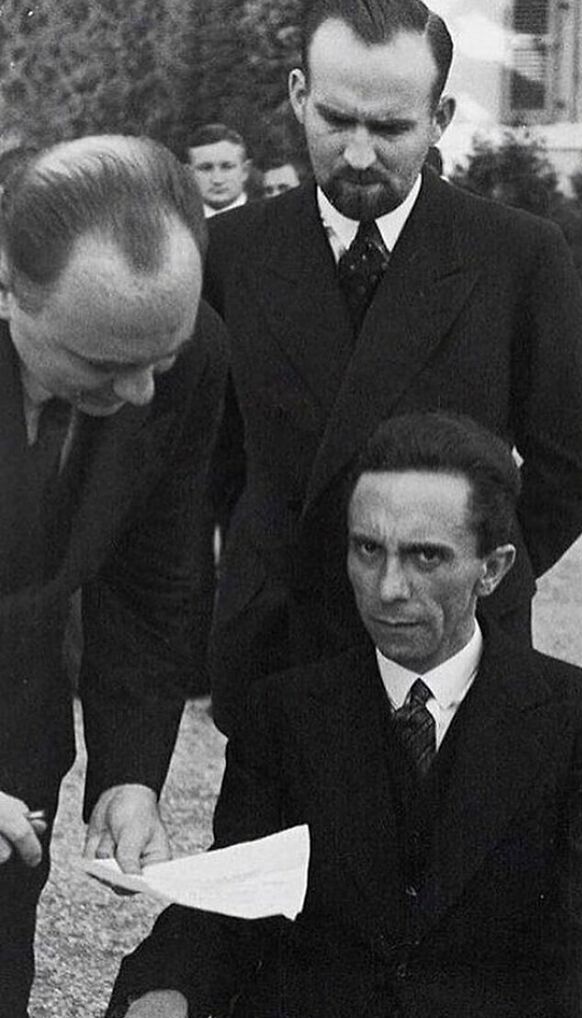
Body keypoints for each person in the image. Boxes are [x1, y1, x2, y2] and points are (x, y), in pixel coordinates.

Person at [106, 411, 582, 1018]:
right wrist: (164, 989)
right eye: (368, 549)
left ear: (494, 569)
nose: (387, 588)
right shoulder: (283, 713)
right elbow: (232, 908)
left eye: (426, 557)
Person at [205, 0, 582, 735]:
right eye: (335, 120)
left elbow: (576, 460)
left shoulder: (517, 255)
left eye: (391, 128)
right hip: (278, 648)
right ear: (300, 94)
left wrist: (467, 575)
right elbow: (209, 462)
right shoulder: (229, 252)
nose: (358, 154)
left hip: (452, 656)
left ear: (441, 117)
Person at [0, 135, 228, 1016]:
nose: (141, 395)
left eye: (159, 362)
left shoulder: (187, 347)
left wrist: (130, 771)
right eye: (101, 365)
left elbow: (152, 576)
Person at [186, 123, 251, 218]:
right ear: (189, 174)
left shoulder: (270, 219)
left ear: (245, 171)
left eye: (227, 167)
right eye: (206, 168)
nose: (217, 180)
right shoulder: (175, 223)